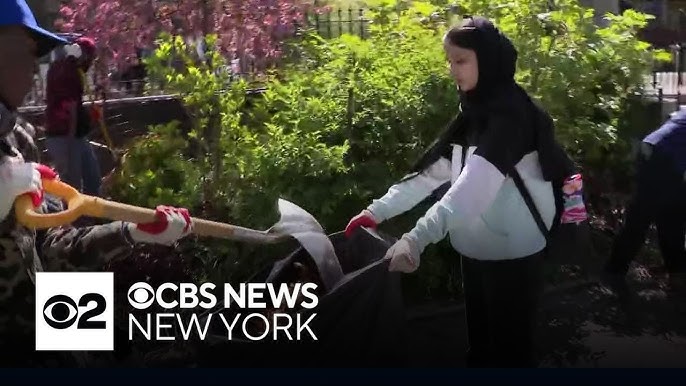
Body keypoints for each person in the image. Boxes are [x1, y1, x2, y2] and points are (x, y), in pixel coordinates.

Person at [345, 16, 567, 368]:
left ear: (488, 60)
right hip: (475, 250)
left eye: (461, 60)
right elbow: (432, 174)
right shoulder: (474, 113)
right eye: (449, 61)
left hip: (513, 256)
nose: (453, 70)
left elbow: (471, 190)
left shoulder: (511, 119)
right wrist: (377, 211)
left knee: (511, 355)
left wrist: (415, 239)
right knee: (479, 351)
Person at [0, 0, 194, 366]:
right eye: (22, 51)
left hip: (44, 341)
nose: (33, 68)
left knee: (108, 353)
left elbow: (52, 246)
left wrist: (132, 233)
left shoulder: (20, 139)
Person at [605, 110, 686, 283]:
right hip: (662, 158)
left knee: (673, 214)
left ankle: (677, 270)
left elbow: (672, 119)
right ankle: (614, 273)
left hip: (655, 152)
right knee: (643, 216)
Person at [44, 34, 102, 196]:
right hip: (64, 137)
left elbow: (73, 104)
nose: (90, 63)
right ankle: (73, 220)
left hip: (76, 135)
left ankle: (93, 216)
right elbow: (67, 107)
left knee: (93, 178)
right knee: (72, 187)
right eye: (90, 58)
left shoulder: (68, 69)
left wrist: (87, 116)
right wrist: (69, 145)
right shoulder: (66, 70)